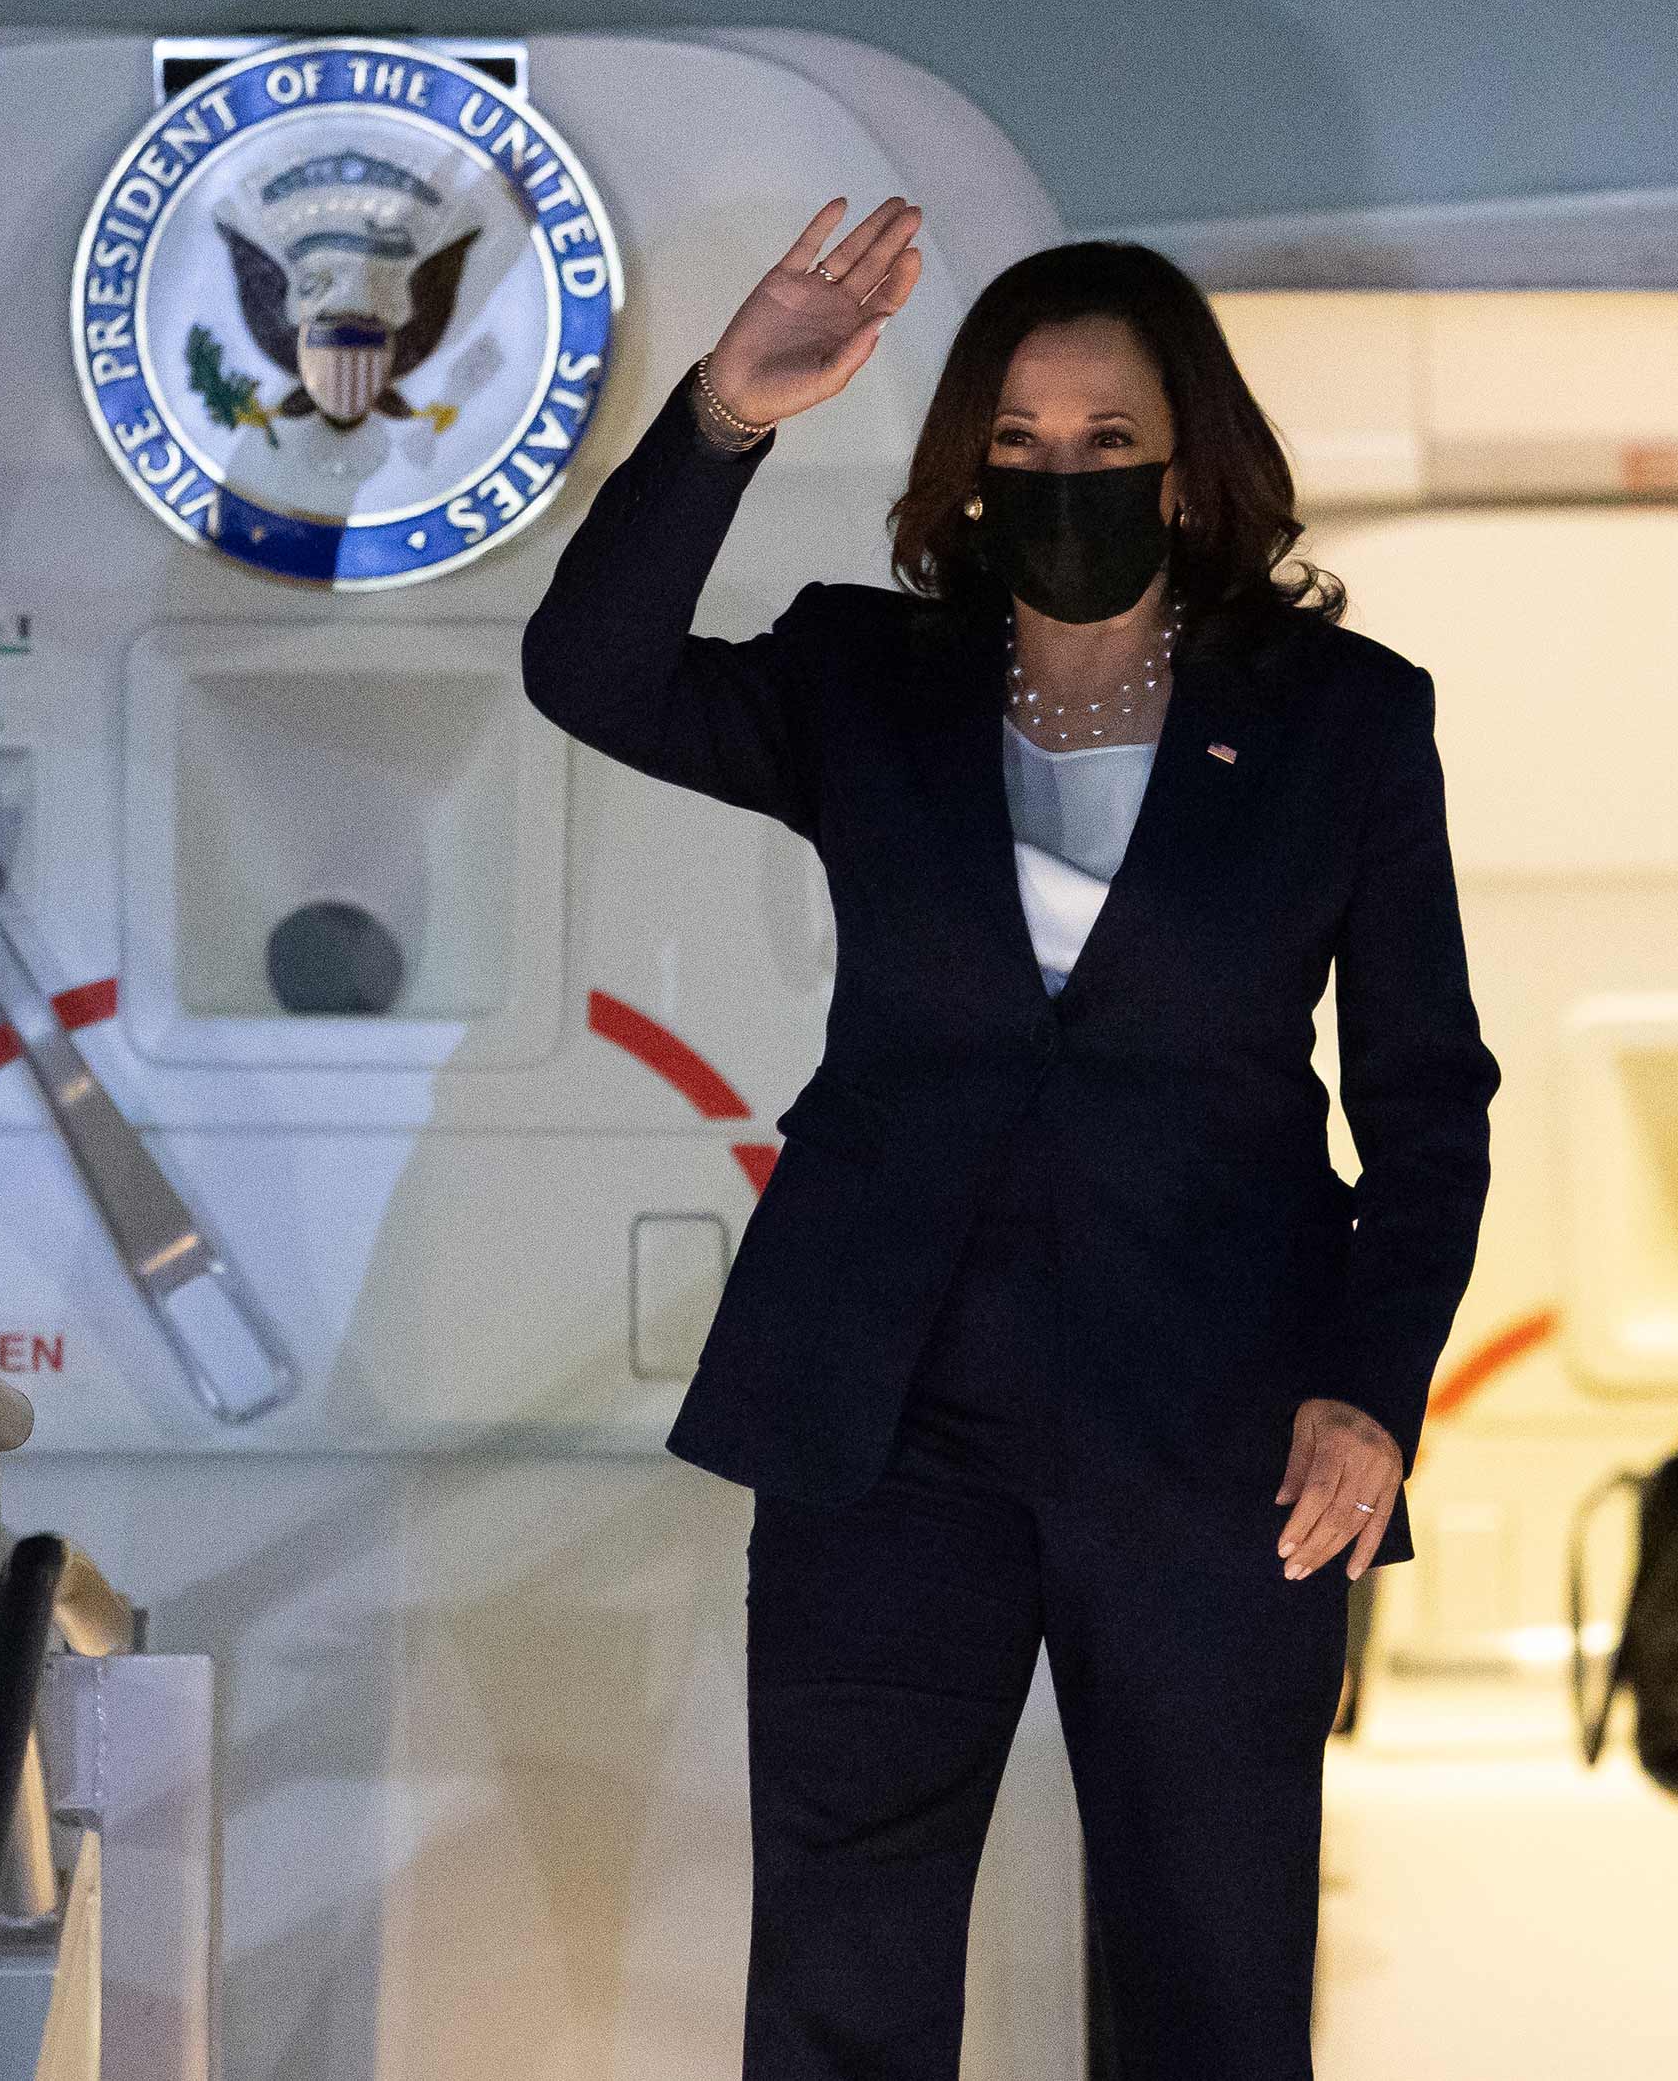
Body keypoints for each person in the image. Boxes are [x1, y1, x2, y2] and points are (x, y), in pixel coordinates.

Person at [520, 200, 1499, 2078]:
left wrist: (1373, 1389)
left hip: (1223, 1430)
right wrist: (728, 407)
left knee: (1210, 1974)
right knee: (843, 1962)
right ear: (972, 466)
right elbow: (593, 670)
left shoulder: (1345, 724)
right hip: (884, 1409)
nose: (1065, 480)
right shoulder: (863, 677)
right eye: (1024, 447)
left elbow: (1428, 1101)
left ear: (1191, 463)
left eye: (1111, 446)